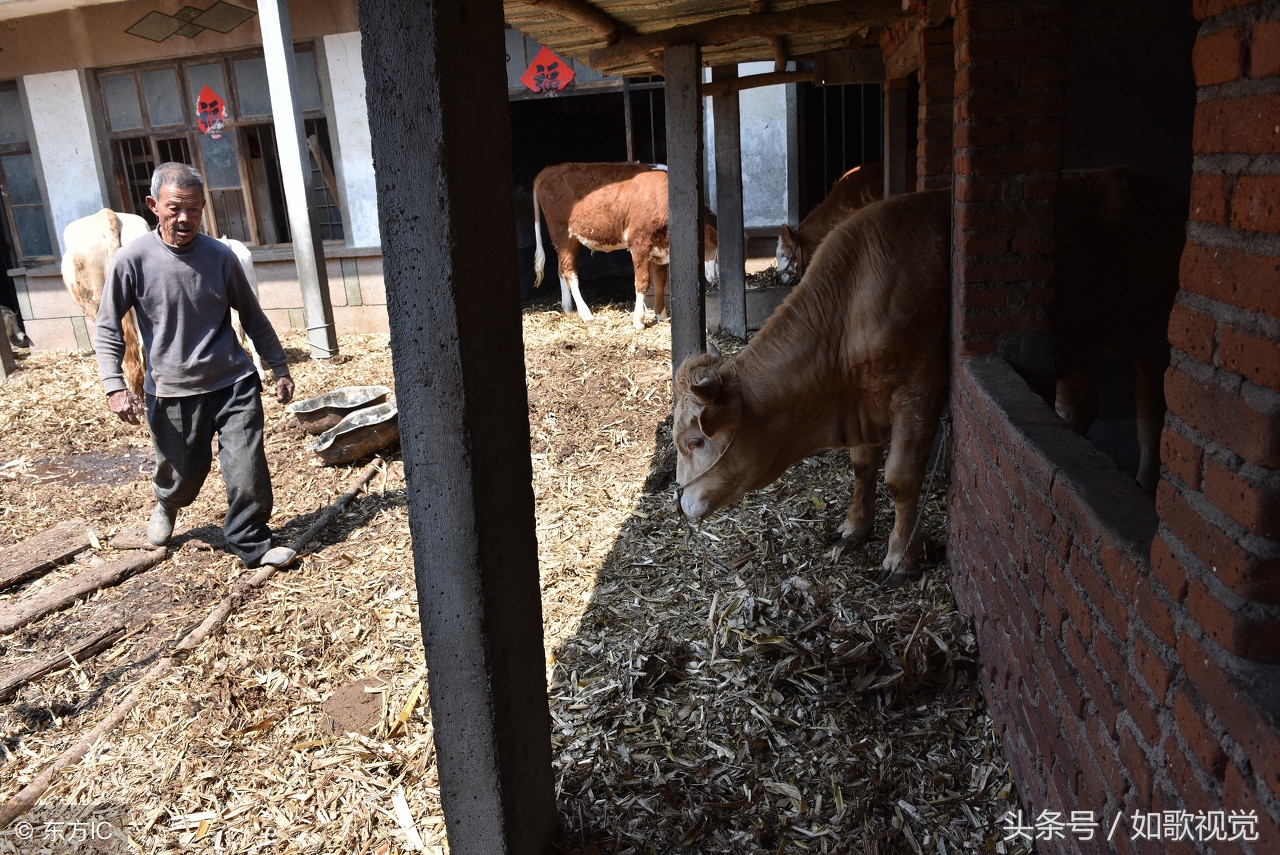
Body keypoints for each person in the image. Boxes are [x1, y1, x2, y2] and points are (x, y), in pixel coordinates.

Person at [96, 162, 297, 568]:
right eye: (174, 209)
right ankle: (168, 502)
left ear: (204, 206)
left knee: (247, 468)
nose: (184, 218)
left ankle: (251, 540)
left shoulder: (220, 257)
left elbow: (253, 317)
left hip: (233, 382)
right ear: (154, 205)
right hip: (171, 390)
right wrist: (114, 385)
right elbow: (106, 326)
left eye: (193, 209)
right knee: (183, 472)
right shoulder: (131, 260)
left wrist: (279, 366)